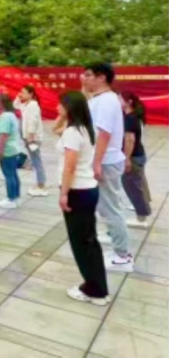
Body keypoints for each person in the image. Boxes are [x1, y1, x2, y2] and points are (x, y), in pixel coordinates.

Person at [58, 91, 110, 306]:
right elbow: (55, 130)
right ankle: (98, 287)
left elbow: (70, 166)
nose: (57, 108)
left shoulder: (72, 132)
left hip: (77, 191)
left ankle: (94, 291)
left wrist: (64, 193)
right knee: (90, 241)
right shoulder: (85, 129)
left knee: (81, 244)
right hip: (88, 189)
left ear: (70, 108)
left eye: (61, 105)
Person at [82, 63, 134, 273]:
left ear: (101, 77)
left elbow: (103, 133)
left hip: (106, 160)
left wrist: (96, 162)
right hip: (105, 159)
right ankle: (118, 246)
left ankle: (123, 256)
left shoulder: (107, 101)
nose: (84, 78)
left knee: (111, 208)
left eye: (88, 75)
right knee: (108, 207)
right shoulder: (101, 99)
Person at [121, 92, 152, 230]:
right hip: (139, 154)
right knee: (140, 184)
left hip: (133, 157)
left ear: (129, 102)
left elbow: (130, 139)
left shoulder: (129, 118)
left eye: (120, 99)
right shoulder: (135, 116)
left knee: (133, 187)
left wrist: (126, 158)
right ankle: (144, 205)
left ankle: (141, 217)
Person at [0, 94, 25, 210]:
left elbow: (4, 135)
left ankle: (11, 199)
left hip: (7, 150)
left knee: (9, 175)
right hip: (12, 149)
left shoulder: (5, 117)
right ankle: (16, 197)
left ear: (1, 104)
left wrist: (0, 151)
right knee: (13, 174)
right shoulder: (11, 115)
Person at [15, 86, 48, 197]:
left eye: (24, 92)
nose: (21, 94)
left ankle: (41, 186)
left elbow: (33, 121)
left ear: (31, 94)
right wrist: (18, 97)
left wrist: (30, 137)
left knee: (37, 161)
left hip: (33, 138)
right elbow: (15, 105)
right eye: (21, 92)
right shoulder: (26, 105)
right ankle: (40, 184)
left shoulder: (33, 105)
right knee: (35, 161)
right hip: (28, 137)